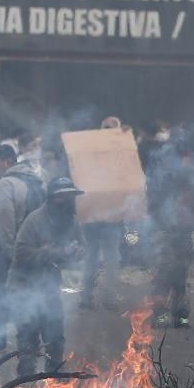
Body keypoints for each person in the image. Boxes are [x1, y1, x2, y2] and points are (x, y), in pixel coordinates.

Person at [8, 177, 84, 377]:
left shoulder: (71, 222)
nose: (66, 201)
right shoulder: (34, 220)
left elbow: (80, 248)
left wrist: (76, 253)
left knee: (55, 337)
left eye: (70, 197)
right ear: (51, 199)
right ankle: (24, 386)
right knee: (28, 337)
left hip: (49, 287)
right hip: (24, 286)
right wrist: (57, 253)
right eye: (62, 197)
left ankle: (56, 384)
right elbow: (21, 254)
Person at [0, 145, 44, 351]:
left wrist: (10, 253)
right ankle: (30, 341)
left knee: (1, 294)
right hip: (34, 251)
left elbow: (5, 221)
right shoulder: (37, 181)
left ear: (8, 162)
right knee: (31, 295)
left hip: (9, 251)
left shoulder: (6, 184)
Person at [148, 133, 194, 328]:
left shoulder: (165, 175)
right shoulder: (180, 176)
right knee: (168, 274)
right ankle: (169, 315)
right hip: (170, 231)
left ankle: (174, 315)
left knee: (174, 275)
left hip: (177, 231)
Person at [79, 118, 126, 311]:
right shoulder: (92, 152)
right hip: (93, 213)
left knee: (110, 257)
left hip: (112, 215)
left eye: (111, 129)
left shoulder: (123, 154)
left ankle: (107, 296)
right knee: (93, 256)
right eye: (106, 128)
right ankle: (88, 296)